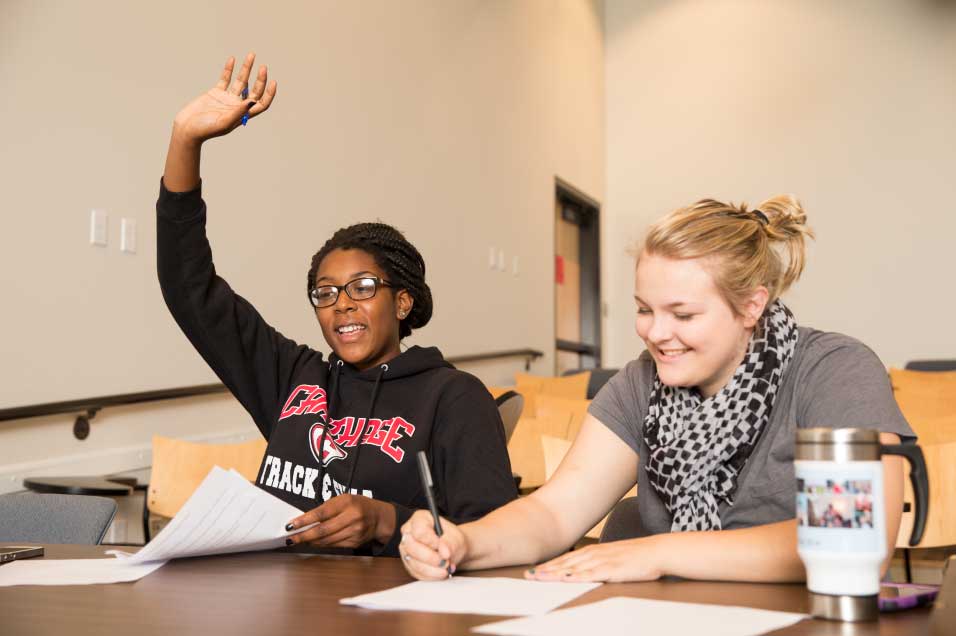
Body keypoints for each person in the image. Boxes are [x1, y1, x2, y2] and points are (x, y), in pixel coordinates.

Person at [400, 195, 913, 581]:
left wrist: (659, 551)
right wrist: (465, 542)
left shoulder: (834, 370)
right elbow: (553, 514)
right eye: (644, 309)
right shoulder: (638, 382)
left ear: (752, 306)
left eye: (683, 314)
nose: (655, 333)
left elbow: (849, 540)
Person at [157, 53, 517, 557]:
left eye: (363, 287)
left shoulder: (454, 398)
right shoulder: (294, 379)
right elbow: (188, 287)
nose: (342, 305)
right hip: (278, 604)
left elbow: (496, 535)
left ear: (404, 301)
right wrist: (185, 139)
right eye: (326, 293)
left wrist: (386, 522)